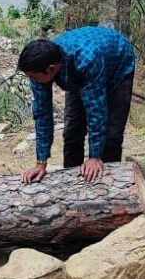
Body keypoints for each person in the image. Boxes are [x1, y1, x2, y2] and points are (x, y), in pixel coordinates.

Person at [17, 26, 137, 184]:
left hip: (118, 64)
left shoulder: (85, 60)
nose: (33, 81)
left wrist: (95, 157)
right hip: (80, 72)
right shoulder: (40, 67)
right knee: (72, 130)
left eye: (34, 77)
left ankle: (108, 185)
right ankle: (72, 184)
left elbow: (96, 111)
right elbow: (42, 114)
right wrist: (41, 162)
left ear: (51, 69)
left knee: (111, 133)